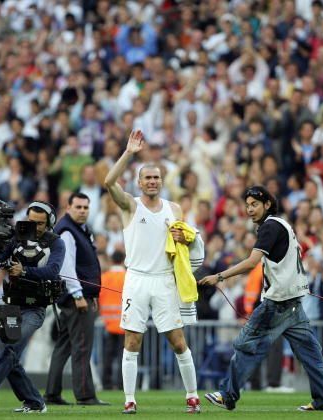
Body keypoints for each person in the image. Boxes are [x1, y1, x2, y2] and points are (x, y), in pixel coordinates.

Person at [199, 185, 323, 411]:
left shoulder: (269, 227)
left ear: (267, 205)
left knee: (245, 346)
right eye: (247, 205)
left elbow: (252, 262)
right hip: (294, 304)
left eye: (254, 204)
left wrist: (219, 276)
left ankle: (227, 394)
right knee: (311, 355)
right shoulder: (284, 225)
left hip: (277, 304)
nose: (249, 209)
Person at [104, 129, 205, 414]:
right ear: (139, 182)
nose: (152, 181)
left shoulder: (174, 208)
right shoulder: (130, 205)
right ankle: (130, 399)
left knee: (177, 340)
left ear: (162, 181)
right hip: (136, 278)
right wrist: (128, 153)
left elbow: (186, 245)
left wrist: (187, 240)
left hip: (164, 280)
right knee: (133, 339)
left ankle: (192, 395)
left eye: (156, 177)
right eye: (147, 177)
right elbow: (109, 181)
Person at [0, 201, 65, 413]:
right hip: (11, 306)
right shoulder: (15, 238)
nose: (35, 227)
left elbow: (53, 271)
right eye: (31, 221)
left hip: (35, 308)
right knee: (9, 353)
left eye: (40, 223)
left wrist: (24, 272)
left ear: (49, 223)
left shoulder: (56, 243)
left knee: (11, 349)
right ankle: (34, 402)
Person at [44, 192, 108, 406]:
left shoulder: (79, 229)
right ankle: (85, 395)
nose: (82, 211)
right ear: (68, 207)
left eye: (85, 207)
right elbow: (66, 266)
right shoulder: (68, 231)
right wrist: (79, 294)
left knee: (64, 346)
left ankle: (52, 393)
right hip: (76, 298)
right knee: (82, 347)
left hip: (78, 295)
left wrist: (92, 294)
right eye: (78, 207)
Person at [99, 250, 126, 390]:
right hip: (124, 323)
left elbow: (100, 296)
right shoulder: (127, 276)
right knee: (124, 356)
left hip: (108, 323)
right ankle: (122, 384)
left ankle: (106, 383)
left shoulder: (105, 277)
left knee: (107, 355)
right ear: (123, 260)